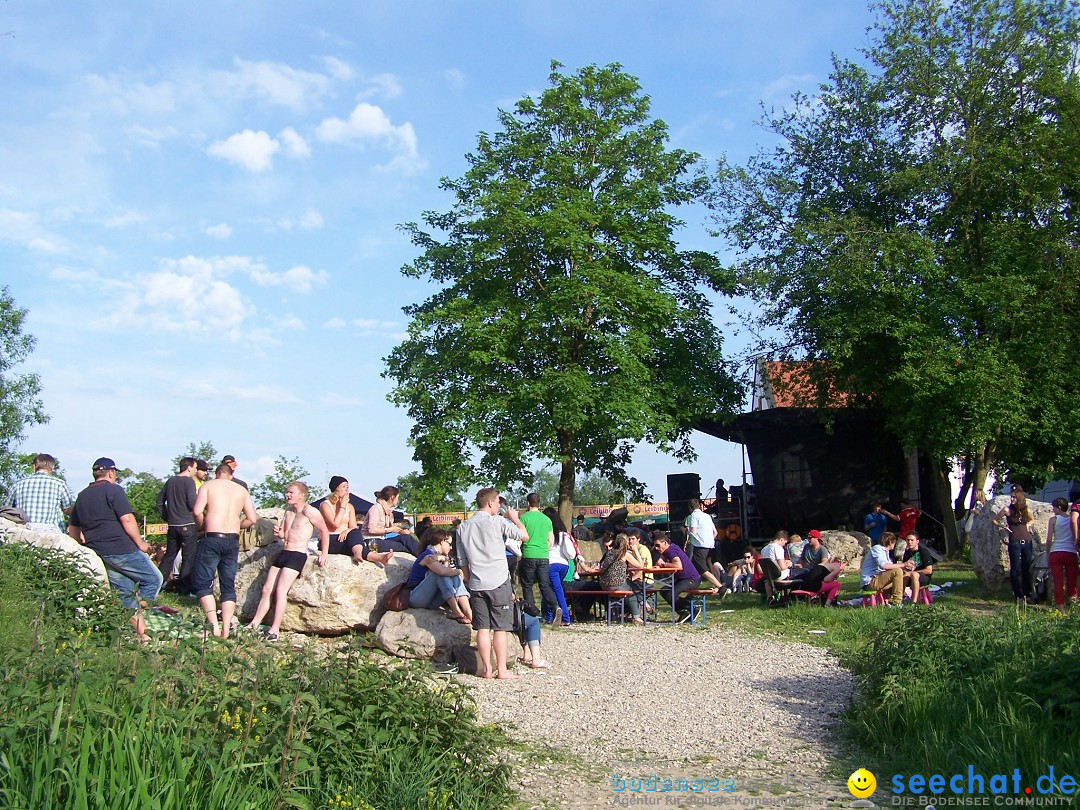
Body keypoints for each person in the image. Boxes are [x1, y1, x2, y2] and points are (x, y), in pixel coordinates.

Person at [66, 458, 163, 640]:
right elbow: (126, 519)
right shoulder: (114, 490)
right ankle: (135, 611)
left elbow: (74, 529)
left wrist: (81, 548)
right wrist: (141, 544)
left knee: (125, 591)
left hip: (99, 551)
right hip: (120, 547)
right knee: (154, 579)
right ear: (111, 473)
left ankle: (143, 636)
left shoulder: (82, 495)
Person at [455, 487, 527, 680]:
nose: (498, 506)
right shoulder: (498, 521)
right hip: (498, 580)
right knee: (500, 628)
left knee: (482, 628)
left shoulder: (463, 527)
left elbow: (462, 561)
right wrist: (515, 517)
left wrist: (470, 580)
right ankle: (501, 670)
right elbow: (523, 536)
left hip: (477, 582)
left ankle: (486, 669)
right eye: (497, 503)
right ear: (490, 502)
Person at [245, 482, 330, 640]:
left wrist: (323, 553)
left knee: (281, 590)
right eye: (287, 492)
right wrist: (279, 533)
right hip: (284, 552)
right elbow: (284, 534)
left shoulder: (309, 511)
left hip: (297, 554)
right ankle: (254, 624)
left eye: (291, 493)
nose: (287, 495)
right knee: (266, 589)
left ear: (301, 496)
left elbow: (324, 531)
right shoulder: (288, 511)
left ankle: (274, 630)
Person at [192, 461, 258, 639]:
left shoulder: (208, 485)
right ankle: (227, 628)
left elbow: (197, 510)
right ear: (230, 475)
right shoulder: (241, 490)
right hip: (232, 539)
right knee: (228, 584)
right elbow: (252, 518)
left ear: (217, 474)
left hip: (212, 536)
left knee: (203, 582)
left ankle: (214, 625)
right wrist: (238, 524)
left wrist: (202, 526)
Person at [321, 476, 394, 565]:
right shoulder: (325, 505)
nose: (346, 490)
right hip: (330, 539)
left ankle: (359, 553)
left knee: (355, 533)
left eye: (347, 487)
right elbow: (335, 524)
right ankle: (377, 557)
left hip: (347, 537)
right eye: (343, 487)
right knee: (354, 545)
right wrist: (342, 506)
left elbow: (353, 528)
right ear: (336, 489)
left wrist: (347, 531)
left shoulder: (350, 507)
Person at [404, 528, 472, 623]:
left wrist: (451, 567)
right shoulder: (427, 556)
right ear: (441, 542)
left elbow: (447, 573)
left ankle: (469, 613)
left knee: (454, 576)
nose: (451, 547)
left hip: (431, 601)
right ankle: (457, 611)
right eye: (449, 544)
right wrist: (460, 572)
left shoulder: (440, 557)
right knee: (441, 574)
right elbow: (441, 572)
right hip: (416, 598)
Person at [155, 456, 199, 594]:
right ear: (189, 467)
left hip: (173, 525)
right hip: (187, 524)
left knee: (169, 556)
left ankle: (157, 584)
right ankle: (183, 589)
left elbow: (159, 501)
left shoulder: (171, 481)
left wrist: (168, 517)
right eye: (195, 467)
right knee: (188, 557)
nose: (196, 471)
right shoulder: (189, 482)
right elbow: (192, 503)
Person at [4, 452, 74, 533]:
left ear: (34, 467)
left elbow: (6, 510)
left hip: (24, 532)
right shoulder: (59, 484)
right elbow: (68, 510)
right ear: (52, 467)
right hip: (52, 533)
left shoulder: (18, 484)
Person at [518, 493, 558, 624]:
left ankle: (532, 614)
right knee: (544, 585)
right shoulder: (547, 520)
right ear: (539, 503)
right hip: (543, 556)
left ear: (527, 503)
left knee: (527, 585)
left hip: (529, 555)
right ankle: (555, 606)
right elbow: (551, 541)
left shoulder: (523, 518)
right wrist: (542, 548)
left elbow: (520, 538)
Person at [993, 485, 1036, 603]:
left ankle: (1027, 594)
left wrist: (1028, 525)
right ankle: (1018, 595)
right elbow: (994, 520)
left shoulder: (1026, 510)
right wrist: (1004, 527)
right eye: (1011, 497)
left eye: (1014, 497)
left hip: (1027, 541)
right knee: (1015, 569)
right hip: (1015, 541)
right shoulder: (1007, 510)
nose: (1012, 499)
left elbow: (1032, 519)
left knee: (1026, 569)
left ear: (1020, 498)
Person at [651, 531, 701, 623]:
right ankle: (685, 611)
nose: (656, 548)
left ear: (665, 543)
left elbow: (678, 565)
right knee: (664, 591)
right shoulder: (667, 550)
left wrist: (664, 564)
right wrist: (661, 561)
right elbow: (658, 563)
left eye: (658, 545)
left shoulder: (671, 550)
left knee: (671, 594)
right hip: (682, 579)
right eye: (655, 546)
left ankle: (689, 608)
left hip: (691, 579)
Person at [362, 485, 419, 555]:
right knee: (404, 547)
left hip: (381, 539)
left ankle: (425, 556)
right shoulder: (376, 508)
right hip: (371, 541)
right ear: (392, 497)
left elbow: (387, 529)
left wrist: (400, 531)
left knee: (406, 538)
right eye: (397, 498)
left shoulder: (387, 512)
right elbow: (371, 530)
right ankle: (424, 559)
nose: (398, 500)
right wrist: (391, 529)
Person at [685, 497, 726, 593]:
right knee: (705, 566)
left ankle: (720, 587)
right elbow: (715, 532)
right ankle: (713, 585)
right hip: (711, 545)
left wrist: (687, 531)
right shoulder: (707, 516)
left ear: (690, 508)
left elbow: (694, 532)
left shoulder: (693, 516)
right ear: (699, 506)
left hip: (700, 546)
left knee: (702, 569)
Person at [1045, 497, 1078, 612]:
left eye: (1053, 507)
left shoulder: (1053, 520)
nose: (1052, 509)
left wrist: (1047, 551)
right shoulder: (1072, 518)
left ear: (1059, 507)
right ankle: (1073, 606)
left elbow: (1049, 538)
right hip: (1070, 552)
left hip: (1056, 552)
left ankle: (1062, 610)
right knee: (1071, 581)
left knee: (1058, 582)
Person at [543, 507, 575, 626]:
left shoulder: (546, 533)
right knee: (553, 589)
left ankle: (565, 617)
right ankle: (550, 615)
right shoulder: (563, 533)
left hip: (551, 564)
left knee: (556, 591)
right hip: (564, 565)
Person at [860, 532, 904, 606]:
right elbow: (883, 565)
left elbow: (890, 566)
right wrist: (903, 564)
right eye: (894, 542)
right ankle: (897, 602)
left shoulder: (886, 552)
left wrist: (905, 566)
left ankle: (890, 599)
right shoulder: (877, 548)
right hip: (870, 581)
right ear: (890, 542)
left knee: (903, 574)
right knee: (897, 571)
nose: (895, 544)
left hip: (877, 578)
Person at [900, 531, 934, 604]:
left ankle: (914, 602)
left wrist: (912, 573)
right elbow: (905, 568)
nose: (909, 542)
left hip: (924, 577)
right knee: (900, 574)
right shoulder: (907, 553)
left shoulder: (923, 551)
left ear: (917, 541)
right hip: (909, 577)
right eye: (908, 540)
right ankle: (898, 599)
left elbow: (929, 570)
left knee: (914, 575)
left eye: (912, 540)